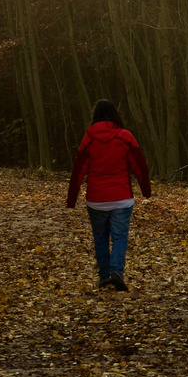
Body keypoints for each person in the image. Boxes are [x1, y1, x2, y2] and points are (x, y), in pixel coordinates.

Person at [67, 100, 152, 291]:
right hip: (122, 197)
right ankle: (117, 272)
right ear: (116, 114)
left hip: (97, 199)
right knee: (120, 236)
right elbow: (140, 167)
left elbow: (78, 170)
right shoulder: (125, 137)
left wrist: (72, 198)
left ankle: (104, 276)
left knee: (100, 237)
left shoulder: (89, 138)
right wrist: (146, 191)